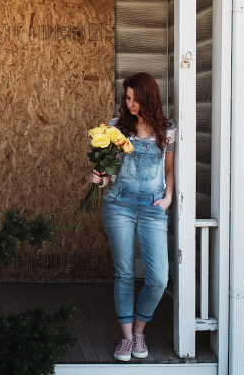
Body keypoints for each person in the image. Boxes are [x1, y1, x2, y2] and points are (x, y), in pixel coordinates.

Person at [89, 71, 175, 361]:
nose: (130, 104)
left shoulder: (167, 130)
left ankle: (140, 329)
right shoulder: (116, 128)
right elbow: (110, 173)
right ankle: (127, 339)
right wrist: (100, 179)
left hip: (153, 209)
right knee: (124, 273)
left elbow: (169, 170)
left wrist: (168, 198)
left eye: (136, 99)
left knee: (159, 279)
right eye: (127, 98)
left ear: (148, 98)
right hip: (119, 205)